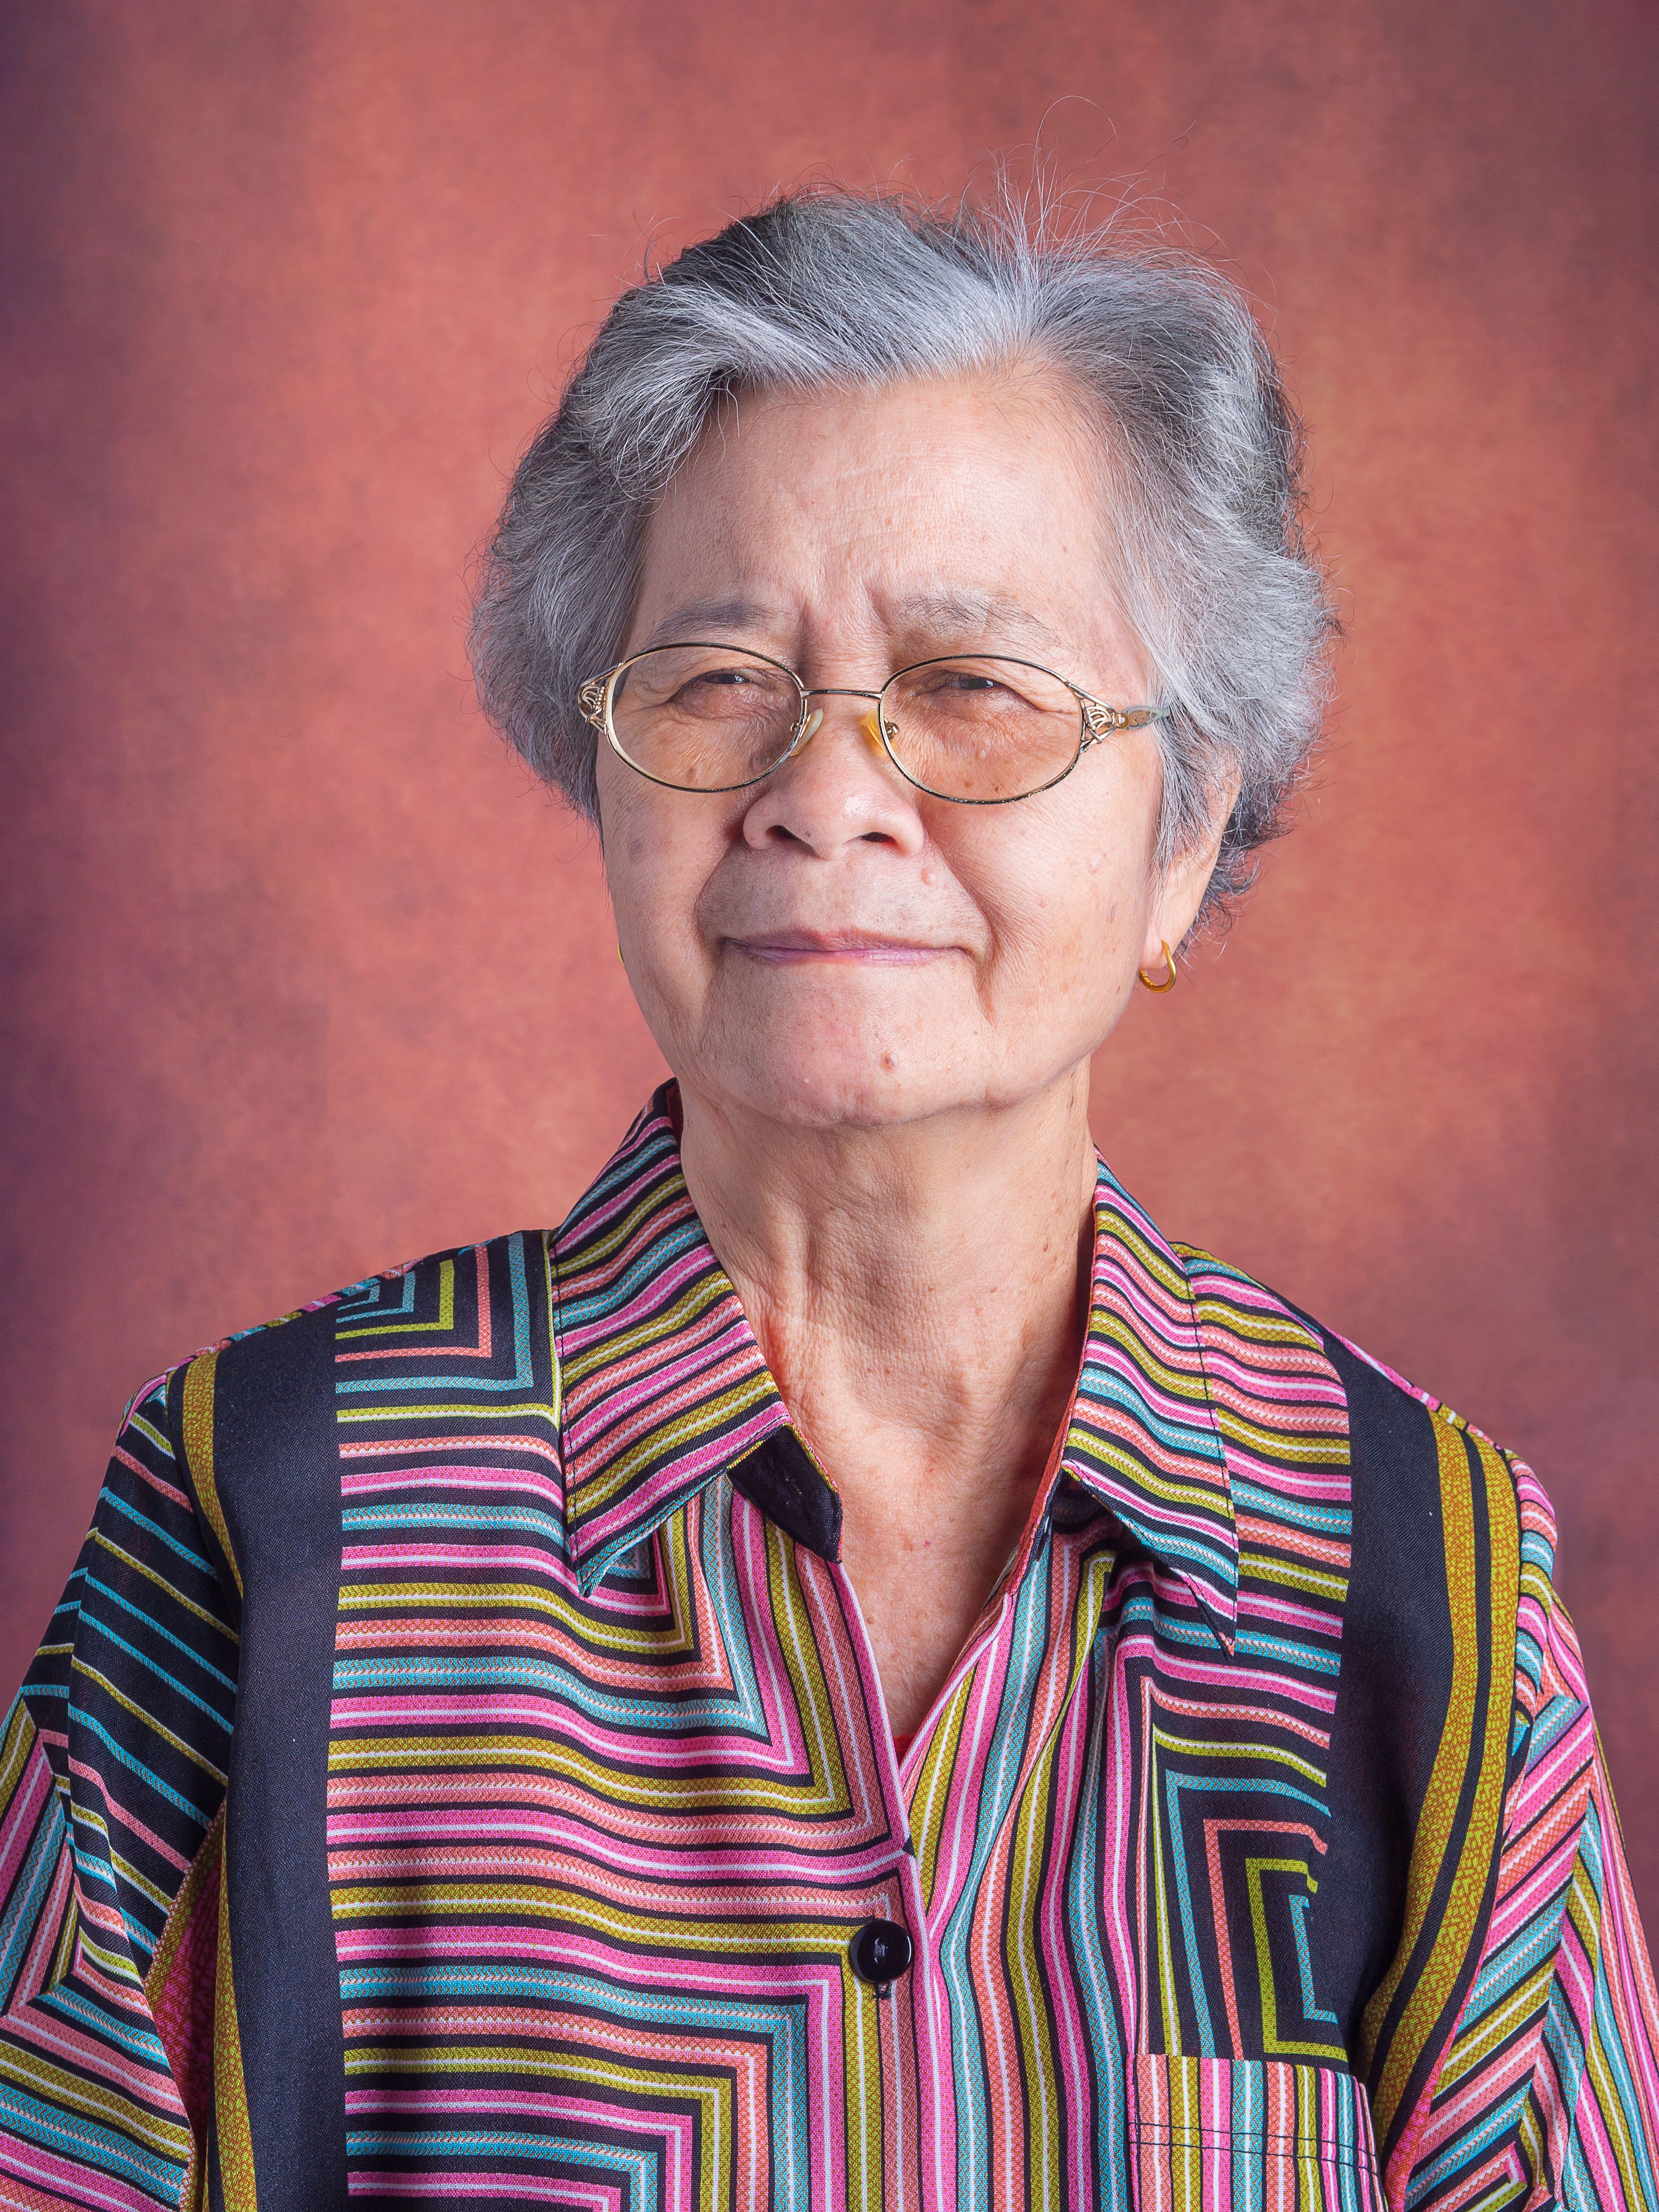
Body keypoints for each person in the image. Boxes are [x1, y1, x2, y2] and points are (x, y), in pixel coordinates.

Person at [1, 185, 1653, 2212]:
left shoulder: (1423, 1578)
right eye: (712, 682)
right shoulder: (264, 1514)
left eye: (972, 685)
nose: (827, 785)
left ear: (1182, 826)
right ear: (602, 778)